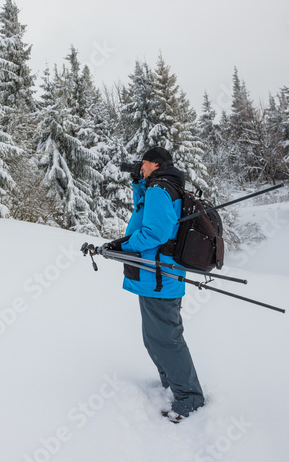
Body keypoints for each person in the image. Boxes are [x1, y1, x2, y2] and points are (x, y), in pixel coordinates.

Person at [105, 146, 204, 422]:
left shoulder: (160, 189)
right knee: (155, 339)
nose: (141, 167)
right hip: (154, 276)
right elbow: (143, 211)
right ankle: (173, 385)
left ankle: (190, 398)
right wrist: (138, 183)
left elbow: (155, 232)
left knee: (165, 340)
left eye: (144, 165)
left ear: (155, 164)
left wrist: (124, 245)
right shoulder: (159, 187)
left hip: (159, 276)